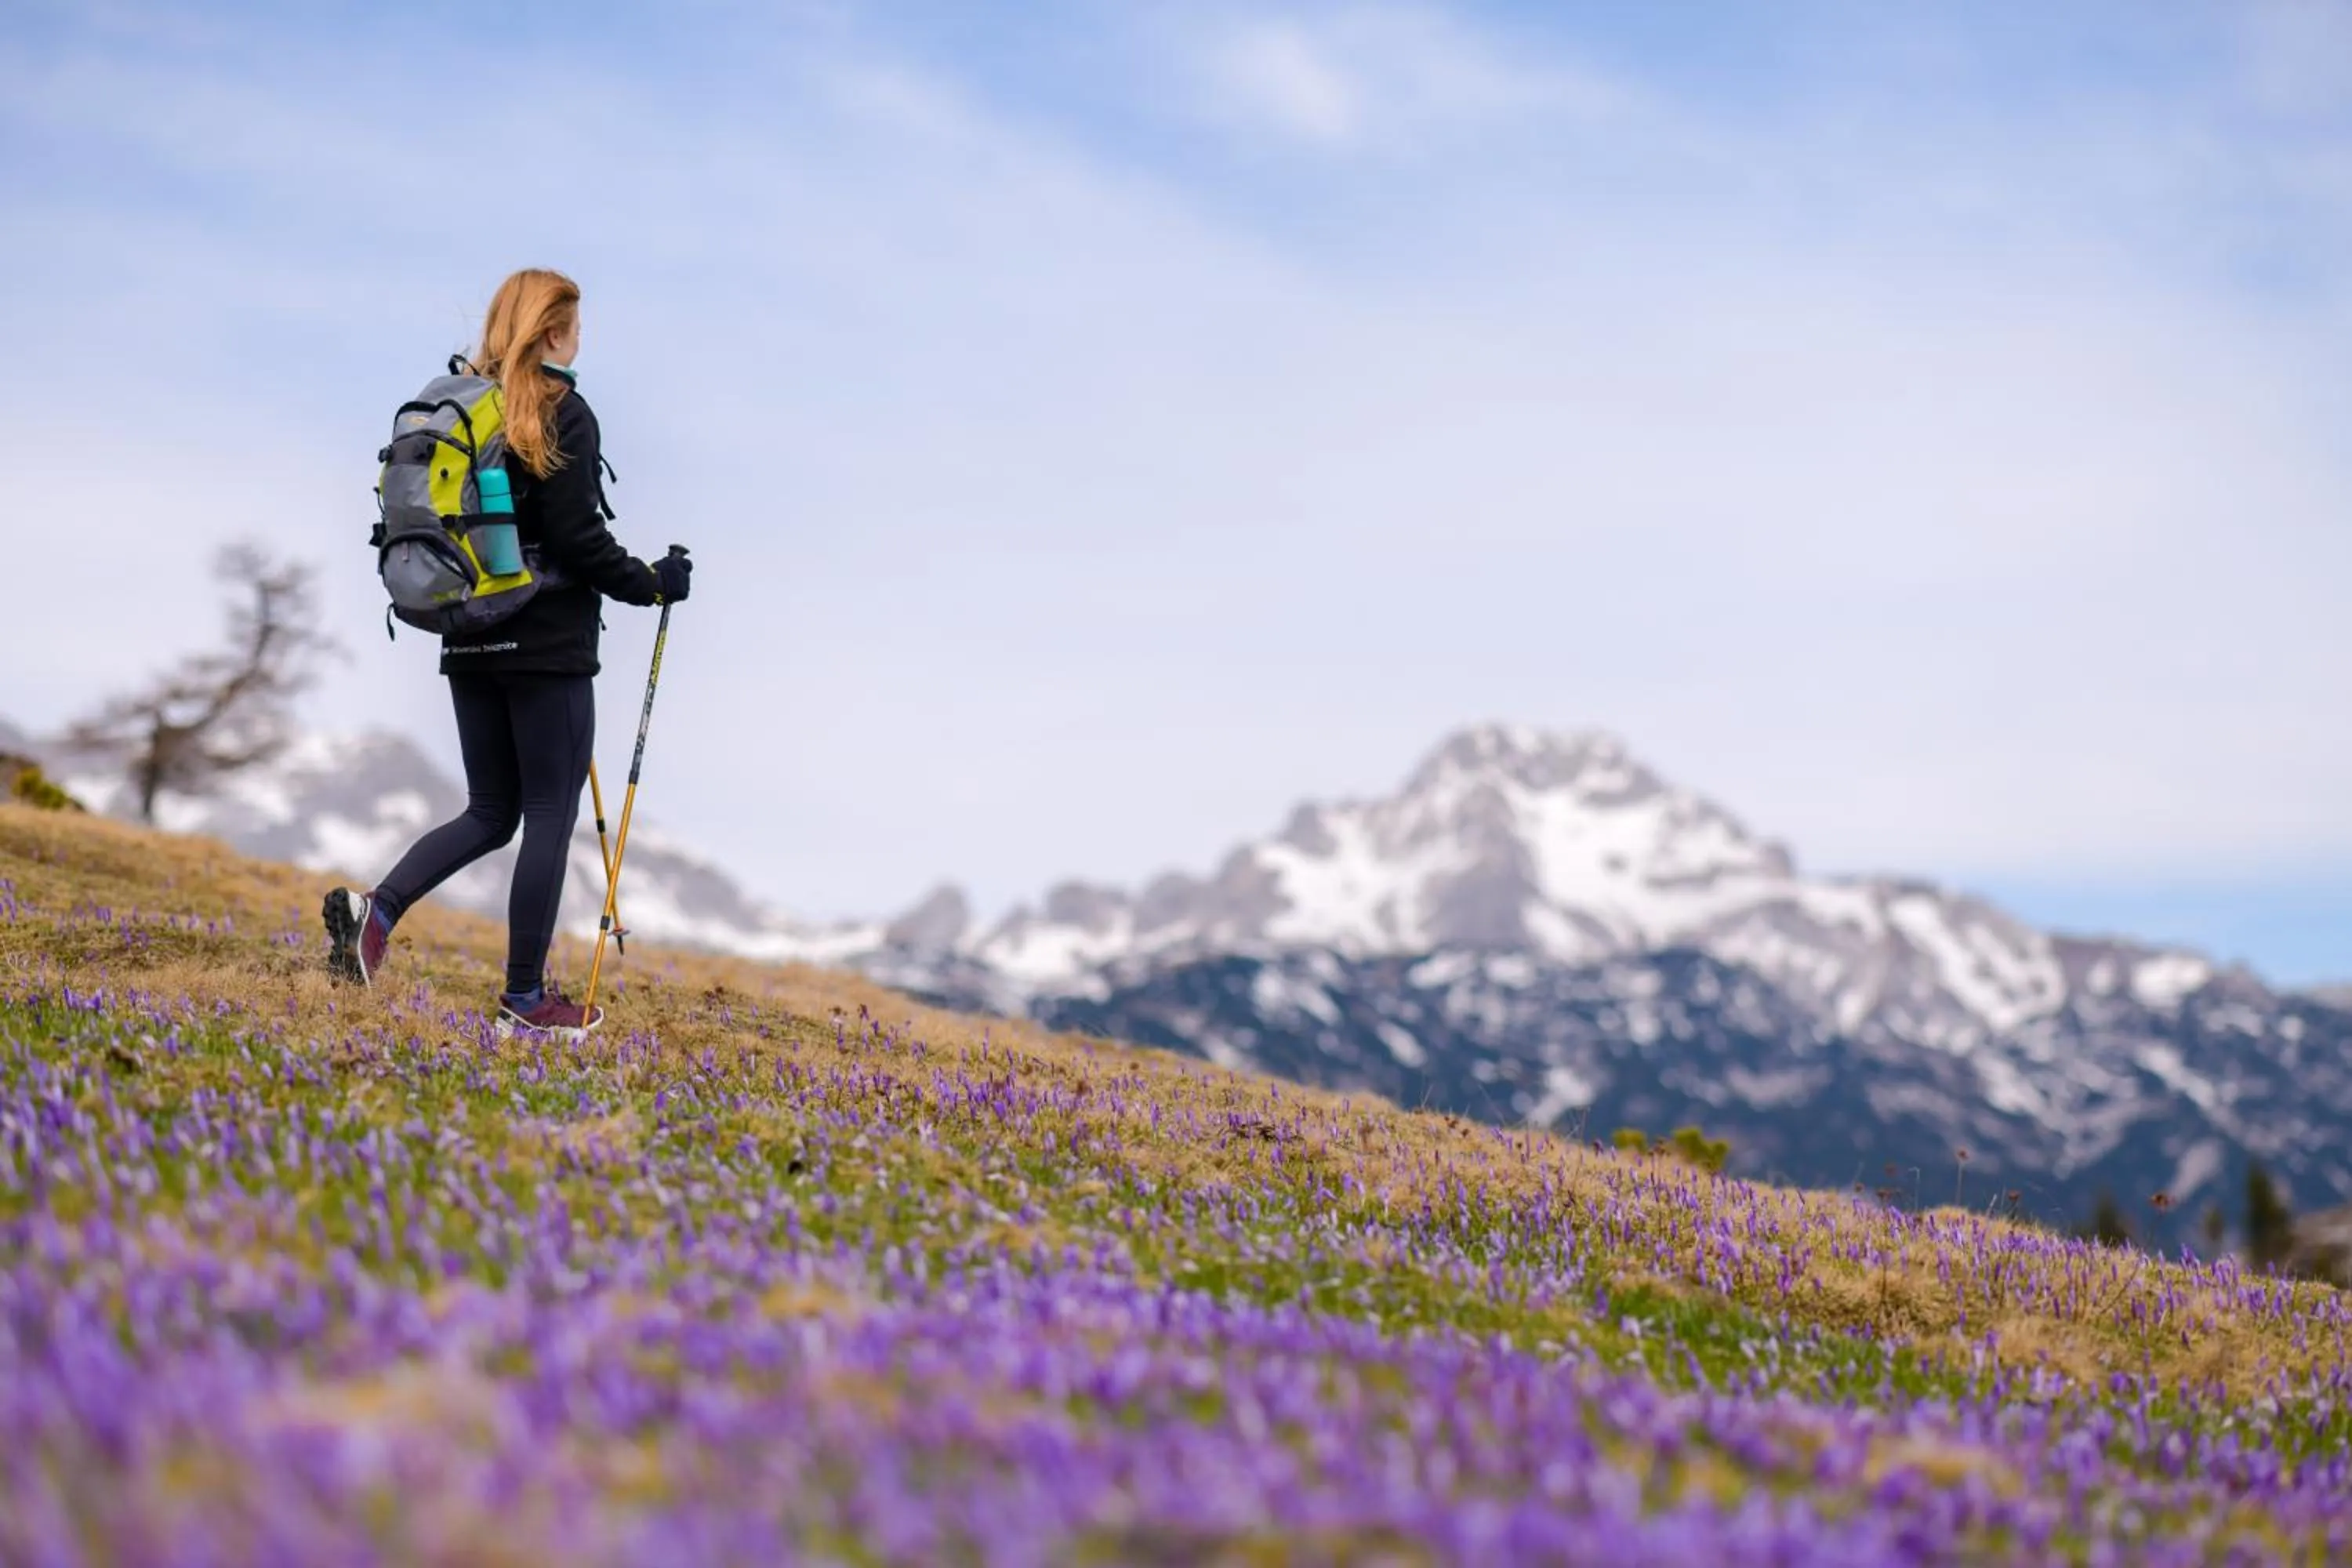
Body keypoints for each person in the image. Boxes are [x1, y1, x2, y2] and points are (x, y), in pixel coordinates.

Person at [322, 267, 691, 1039]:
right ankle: (525, 998)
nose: (581, 336)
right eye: (576, 324)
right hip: (548, 642)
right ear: (553, 329)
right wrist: (653, 582)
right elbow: (577, 540)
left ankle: (375, 912)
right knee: (548, 815)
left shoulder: (468, 405)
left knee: (491, 809)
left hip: (469, 630)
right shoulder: (562, 412)